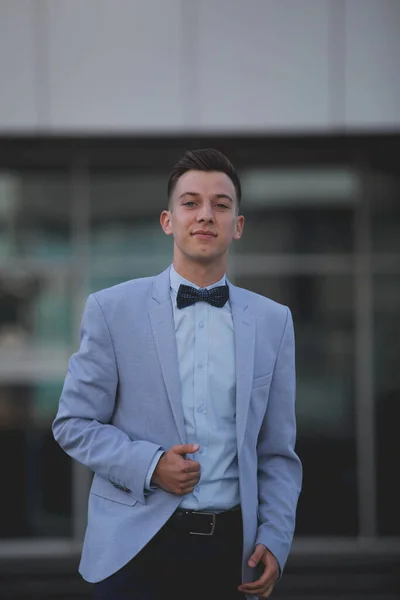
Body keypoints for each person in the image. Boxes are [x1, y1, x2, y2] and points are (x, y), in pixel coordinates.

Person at [52, 148, 302, 600]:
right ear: (168, 220)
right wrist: (150, 466)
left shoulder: (273, 322)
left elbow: (278, 452)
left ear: (238, 226)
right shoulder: (112, 310)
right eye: (191, 203)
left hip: (232, 555)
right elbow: (72, 423)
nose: (206, 215)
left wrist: (275, 537)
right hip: (131, 551)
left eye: (221, 205)